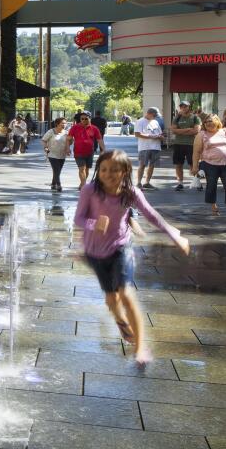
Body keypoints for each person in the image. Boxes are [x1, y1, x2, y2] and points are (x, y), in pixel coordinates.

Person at [76, 150, 190, 366]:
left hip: (121, 247)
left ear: (125, 171)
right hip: (94, 252)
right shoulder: (90, 190)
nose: (108, 174)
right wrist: (93, 224)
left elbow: (151, 214)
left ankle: (140, 348)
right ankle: (120, 321)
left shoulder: (131, 192)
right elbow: (79, 218)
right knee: (112, 300)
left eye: (115, 170)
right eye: (104, 170)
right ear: (98, 171)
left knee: (126, 294)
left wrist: (174, 234)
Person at [192, 114, 226, 216]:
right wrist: (195, 166)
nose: (209, 123)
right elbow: (196, 152)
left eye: (211, 121)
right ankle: (214, 208)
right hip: (209, 165)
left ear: (218, 121)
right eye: (206, 122)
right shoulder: (201, 134)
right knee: (211, 186)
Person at [170, 101, 202, 191]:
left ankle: (198, 182)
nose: (184, 108)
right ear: (180, 107)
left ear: (189, 107)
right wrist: (188, 129)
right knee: (178, 164)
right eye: (182, 106)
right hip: (178, 144)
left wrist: (180, 131)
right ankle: (180, 183)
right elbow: (173, 130)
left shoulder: (195, 117)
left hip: (191, 144)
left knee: (193, 165)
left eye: (186, 106)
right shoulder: (177, 117)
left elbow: (196, 131)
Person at [69, 112, 104, 188]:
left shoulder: (94, 128)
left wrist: (103, 150)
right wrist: (67, 147)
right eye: (82, 119)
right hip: (78, 152)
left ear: (89, 118)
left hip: (90, 152)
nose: (84, 120)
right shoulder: (74, 127)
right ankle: (84, 185)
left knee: (87, 170)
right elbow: (69, 138)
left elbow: (99, 139)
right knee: (82, 168)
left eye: (86, 118)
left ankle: (82, 183)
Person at [135, 107, 164, 190]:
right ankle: (139, 183)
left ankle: (147, 182)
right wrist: (152, 136)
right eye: (154, 115)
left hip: (155, 147)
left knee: (152, 166)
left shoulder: (155, 122)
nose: (155, 117)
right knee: (142, 165)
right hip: (145, 147)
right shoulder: (140, 121)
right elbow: (137, 134)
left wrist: (161, 136)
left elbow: (159, 133)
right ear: (149, 113)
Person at [41, 117, 71, 192]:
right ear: (57, 124)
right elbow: (44, 140)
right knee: (56, 170)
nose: (64, 125)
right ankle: (59, 185)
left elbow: (69, 142)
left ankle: (53, 184)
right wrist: (45, 147)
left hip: (62, 155)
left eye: (65, 123)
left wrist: (68, 148)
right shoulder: (51, 131)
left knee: (57, 171)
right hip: (52, 154)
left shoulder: (66, 133)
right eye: (62, 123)